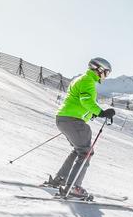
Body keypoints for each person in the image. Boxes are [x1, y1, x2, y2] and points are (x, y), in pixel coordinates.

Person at [44, 57, 116, 199]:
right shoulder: (88, 81)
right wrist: (101, 112)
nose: (105, 76)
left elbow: (78, 101)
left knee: (79, 150)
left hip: (64, 118)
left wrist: (91, 114)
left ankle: (61, 179)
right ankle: (73, 187)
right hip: (72, 120)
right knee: (86, 152)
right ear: (98, 69)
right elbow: (86, 100)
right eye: (106, 73)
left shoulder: (81, 79)